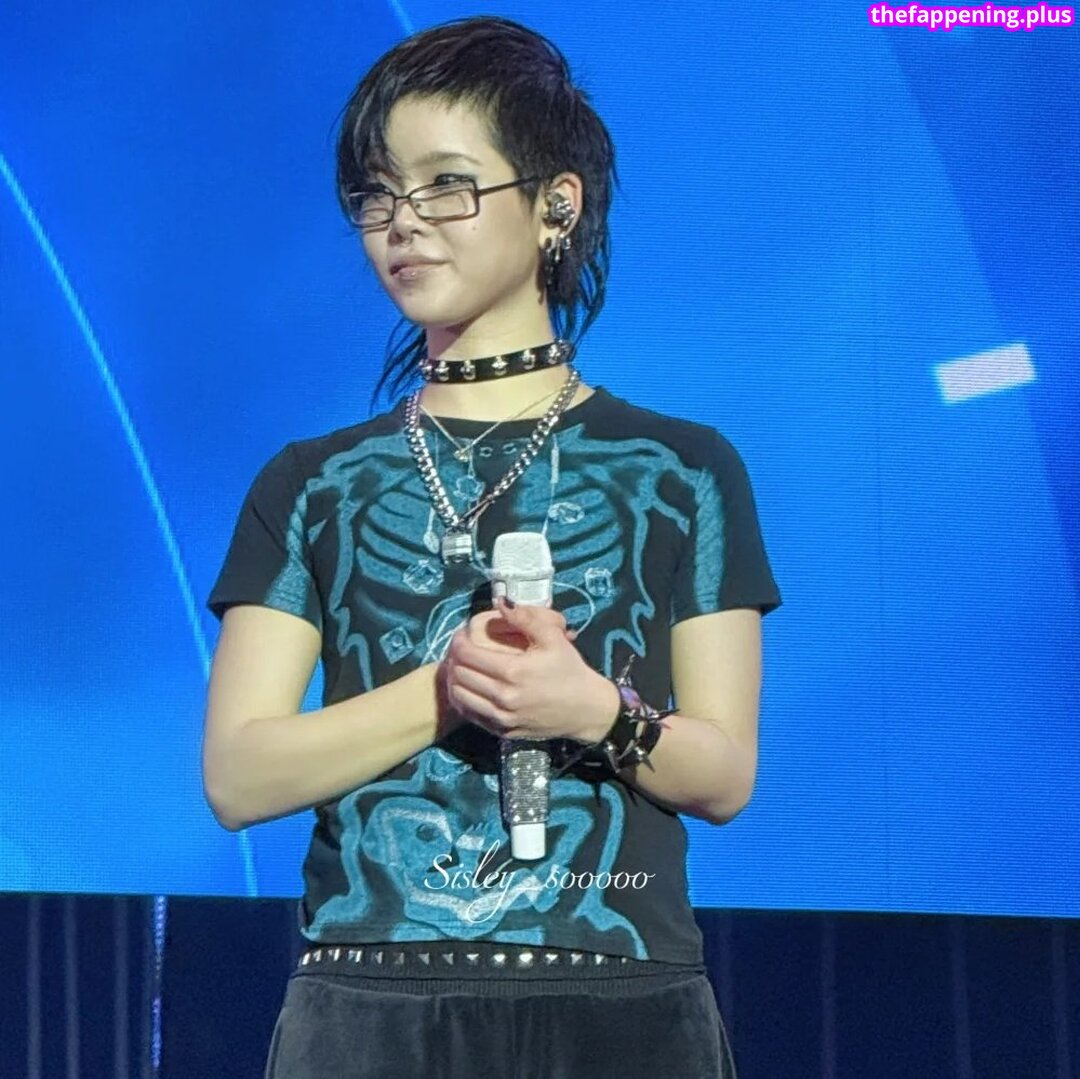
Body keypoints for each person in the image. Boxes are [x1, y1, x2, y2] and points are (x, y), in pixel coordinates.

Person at [203, 15, 781, 1079]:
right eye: (377, 194)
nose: (402, 224)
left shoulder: (684, 469)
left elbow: (725, 773)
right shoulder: (312, 483)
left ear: (557, 204)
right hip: (368, 1004)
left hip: (621, 998)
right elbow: (239, 774)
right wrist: (448, 691)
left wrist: (588, 708)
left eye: (446, 186)